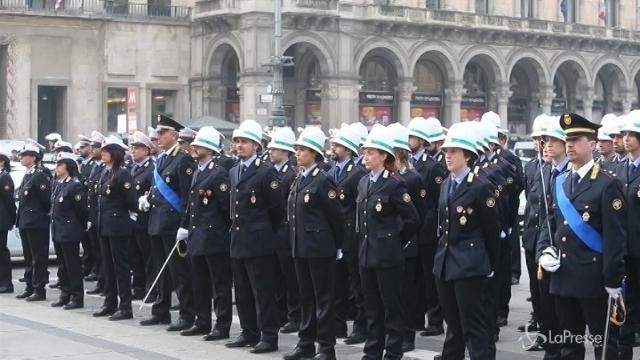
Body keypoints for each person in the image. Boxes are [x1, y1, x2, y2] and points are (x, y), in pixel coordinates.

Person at [538, 113, 626, 360]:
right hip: (564, 278)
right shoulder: (561, 182)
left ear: (592, 143)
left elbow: (615, 237)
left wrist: (613, 281)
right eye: (567, 139)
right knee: (569, 347)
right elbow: (550, 224)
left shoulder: (608, 184)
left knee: (605, 345)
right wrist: (544, 250)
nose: (569, 144)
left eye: (576, 139)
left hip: (595, 280)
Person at [432, 122, 500, 360]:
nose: (448, 156)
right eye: (446, 151)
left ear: (467, 155)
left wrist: (488, 265)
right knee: (453, 325)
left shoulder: (480, 186)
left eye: (453, 151)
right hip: (446, 263)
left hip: (470, 264)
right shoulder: (445, 184)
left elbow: (493, 231)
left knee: (473, 327)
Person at [357, 125, 419, 360]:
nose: (366, 157)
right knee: (372, 308)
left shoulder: (394, 184)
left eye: (371, 152)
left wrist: (395, 241)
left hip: (388, 256)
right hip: (366, 254)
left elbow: (412, 219)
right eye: (365, 152)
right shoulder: (364, 183)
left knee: (391, 307)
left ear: (384, 156)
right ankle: (372, 350)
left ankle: (393, 351)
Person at [283, 127, 343, 360]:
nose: (297, 153)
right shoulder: (301, 176)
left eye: (303, 149)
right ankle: (305, 343)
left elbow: (336, 217)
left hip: (320, 248)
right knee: (306, 297)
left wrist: (337, 246)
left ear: (315, 153)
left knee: (324, 300)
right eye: (297, 149)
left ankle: (326, 348)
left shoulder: (323, 180)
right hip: (301, 247)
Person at [226, 119, 283, 354]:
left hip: (259, 240)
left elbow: (276, 210)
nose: (239, 146)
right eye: (237, 141)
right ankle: (249, 331)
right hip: (239, 239)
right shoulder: (233, 170)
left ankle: (268, 336)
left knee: (263, 291)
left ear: (256, 146)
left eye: (245, 142)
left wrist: (264, 232)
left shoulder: (265, 171)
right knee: (242, 291)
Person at [175, 126, 233, 341]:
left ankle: (222, 325)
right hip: (197, 236)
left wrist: (220, 230)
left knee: (219, 284)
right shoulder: (199, 170)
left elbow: (227, 208)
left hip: (214, 237)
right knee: (199, 282)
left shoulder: (218, 173)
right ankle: (202, 321)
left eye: (198, 145)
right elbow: (191, 205)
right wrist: (184, 226)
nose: (193, 147)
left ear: (208, 149)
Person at [139, 115, 197, 331]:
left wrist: (185, 224)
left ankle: (186, 314)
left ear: (174, 135)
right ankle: (160, 311)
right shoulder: (162, 159)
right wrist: (148, 199)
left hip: (173, 224)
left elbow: (187, 196)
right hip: (157, 222)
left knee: (179, 271)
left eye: (162, 133)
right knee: (160, 270)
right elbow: (158, 190)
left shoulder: (183, 160)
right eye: (157, 133)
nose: (157, 137)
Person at [387, 122, 428, 353]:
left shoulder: (412, 178)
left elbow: (418, 214)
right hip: (390, 243)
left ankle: (408, 335)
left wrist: (404, 236)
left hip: (407, 242)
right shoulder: (388, 178)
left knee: (407, 292)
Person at [327, 124, 368, 345]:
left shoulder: (358, 172)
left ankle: (361, 327)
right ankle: (337, 324)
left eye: (338, 145)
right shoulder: (331, 170)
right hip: (335, 233)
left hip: (351, 233)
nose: (333, 147)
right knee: (337, 283)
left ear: (349, 149)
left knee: (356, 283)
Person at [407, 116, 447, 337]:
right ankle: (416, 317)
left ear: (422, 140)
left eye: (412, 136)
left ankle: (435, 320)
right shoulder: (411, 164)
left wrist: (434, 227)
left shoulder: (433, 167)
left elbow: (438, 202)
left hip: (428, 229)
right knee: (415, 278)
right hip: (414, 229)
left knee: (430, 278)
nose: (409, 139)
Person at [92, 136, 138, 321]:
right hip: (104, 225)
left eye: (106, 152)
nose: (102, 154)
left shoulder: (123, 173)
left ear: (115, 154)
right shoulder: (105, 172)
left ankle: (125, 306)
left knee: (121, 267)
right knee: (107, 266)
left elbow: (132, 201)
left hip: (118, 226)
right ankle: (109, 302)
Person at [267, 127, 301, 334]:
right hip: (274, 230)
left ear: (286, 151)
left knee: (290, 278)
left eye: (275, 149)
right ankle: (281, 313)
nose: (271, 152)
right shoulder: (272, 171)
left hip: (286, 231)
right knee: (277, 276)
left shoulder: (291, 173)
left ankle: (294, 315)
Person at [519, 114, 548, 340]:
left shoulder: (555, 168)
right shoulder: (530, 167)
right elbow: (530, 199)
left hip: (546, 236)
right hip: (531, 233)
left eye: (543, 139)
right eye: (537, 139)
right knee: (534, 285)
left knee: (545, 286)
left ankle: (547, 326)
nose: (539, 143)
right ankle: (537, 315)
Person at [615, 111, 640, 360]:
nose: (627, 139)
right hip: (624, 245)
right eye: (625, 134)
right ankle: (628, 335)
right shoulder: (620, 169)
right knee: (627, 294)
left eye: (633, 135)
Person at [50, 152, 87, 310]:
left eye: (60, 164)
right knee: (62, 265)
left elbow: (81, 210)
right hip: (58, 230)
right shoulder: (59, 184)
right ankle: (65, 294)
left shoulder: (74, 185)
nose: (57, 168)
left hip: (69, 230)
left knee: (72, 265)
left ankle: (77, 297)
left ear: (69, 167)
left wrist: (80, 226)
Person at [15, 139, 51, 301]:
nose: (21, 158)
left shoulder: (40, 176)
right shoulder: (28, 175)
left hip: (37, 222)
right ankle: (30, 286)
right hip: (25, 221)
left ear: (34, 158)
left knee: (38, 256)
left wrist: (38, 216)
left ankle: (39, 289)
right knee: (28, 257)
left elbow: (45, 201)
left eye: (24, 155)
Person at [128, 131, 155, 301]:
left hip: (145, 219)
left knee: (148, 257)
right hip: (132, 219)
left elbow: (154, 191)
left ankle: (151, 289)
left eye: (138, 148)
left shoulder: (152, 168)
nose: (134, 151)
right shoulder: (133, 168)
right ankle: (138, 287)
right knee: (134, 256)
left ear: (147, 150)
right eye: (132, 147)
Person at [86, 131, 106, 294]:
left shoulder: (106, 168)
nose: (92, 149)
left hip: (104, 216)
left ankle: (105, 282)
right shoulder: (95, 165)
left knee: (104, 253)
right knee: (97, 251)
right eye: (91, 146)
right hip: (94, 214)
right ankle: (101, 280)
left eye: (96, 146)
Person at [0, 152, 16, 294]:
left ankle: (6, 283)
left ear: (2, 162)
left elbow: (9, 201)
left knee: (2, 252)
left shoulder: (4, 177)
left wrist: (12, 219)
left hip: (2, 221)